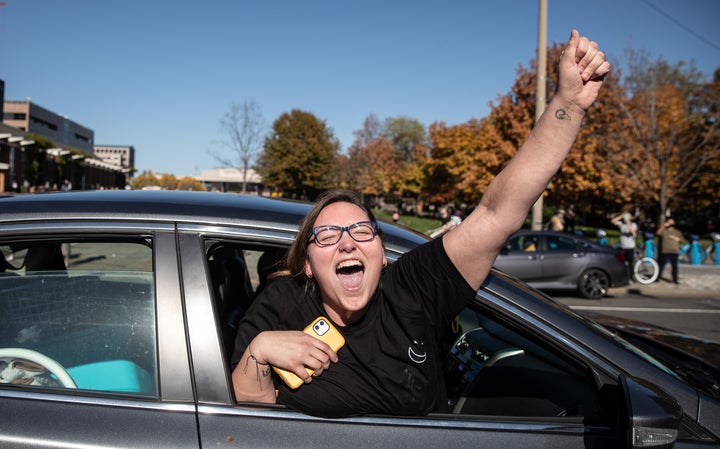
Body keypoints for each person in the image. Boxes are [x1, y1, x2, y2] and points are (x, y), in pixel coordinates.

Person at [231, 29, 610, 418]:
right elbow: (247, 415)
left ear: (380, 253)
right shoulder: (281, 304)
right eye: (327, 235)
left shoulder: (410, 290)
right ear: (308, 263)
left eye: (361, 231)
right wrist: (260, 352)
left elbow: (497, 214)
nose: (347, 244)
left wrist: (569, 104)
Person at [656, 217, 685, 284]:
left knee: (674, 266)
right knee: (661, 265)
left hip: (674, 251)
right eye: (669, 222)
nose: (670, 224)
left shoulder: (677, 232)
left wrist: (677, 239)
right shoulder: (664, 231)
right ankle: (657, 277)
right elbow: (658, 233)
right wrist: (663, 226)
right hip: (665, 251)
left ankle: (675, 279)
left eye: (672, 222)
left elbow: (683, 240)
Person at [611, 211, 638, 279]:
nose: (626, 217)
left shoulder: (633, 224)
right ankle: (622, 276)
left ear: (631, 217)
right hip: (622, 247)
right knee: (620, 263)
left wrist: (628, 222)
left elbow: (633, 231)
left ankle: (631, 277)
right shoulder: (621, 224)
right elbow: (613, 221)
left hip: (630, 247)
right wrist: (621, 216)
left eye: (628, 216)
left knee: (630, 263)